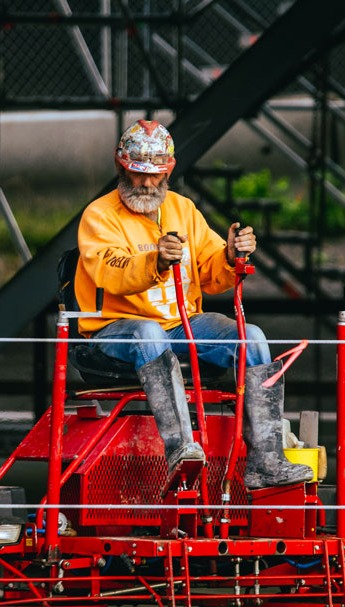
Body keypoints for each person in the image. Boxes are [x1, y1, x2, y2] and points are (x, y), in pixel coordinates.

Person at [73, 119, 312, 491]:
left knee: (252, 336)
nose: (147, 183)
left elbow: (211, 268)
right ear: (121, 166)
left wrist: (231, 255)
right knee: (149, 332)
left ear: (169, 169)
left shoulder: (184, 209)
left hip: (181, 326)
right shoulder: (99, 216)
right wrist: (154, 262)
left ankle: (267, 461)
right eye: (138, 174)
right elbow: (110, 271)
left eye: (155, 175)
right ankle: (181, 448)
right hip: (115, 328)